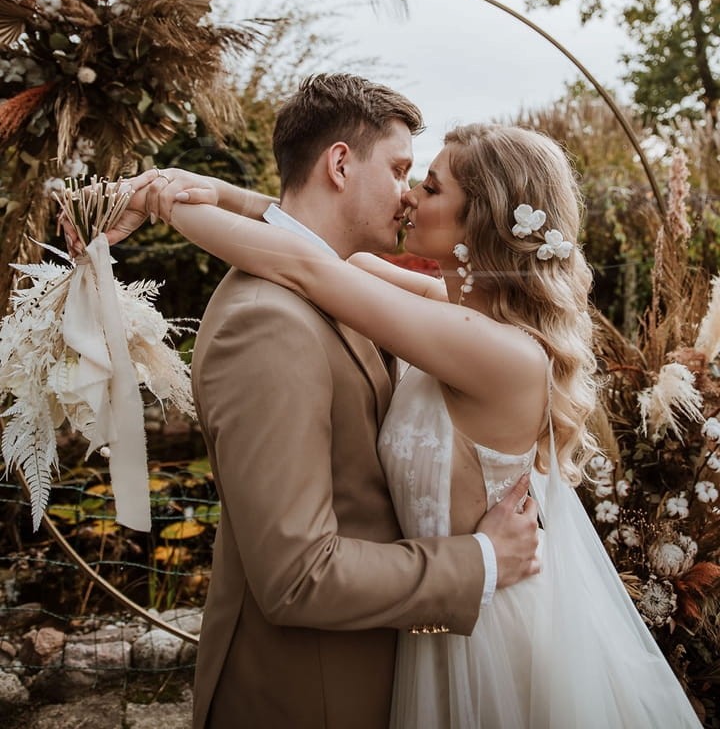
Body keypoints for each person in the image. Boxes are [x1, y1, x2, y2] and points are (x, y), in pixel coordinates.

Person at [117, 110, 702, 729]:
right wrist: (206, 187)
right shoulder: (446, 307)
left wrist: (162, 204)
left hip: (488, 638)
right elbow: (311, 242)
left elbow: (307, 267)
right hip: (437, 617)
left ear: (478, 219)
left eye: (430, 186)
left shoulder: (494, 350)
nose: (409, 196)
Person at [103, 75, 541, 729]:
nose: (408, 196)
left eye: (424, 183)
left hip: (405, 658)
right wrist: (479, 561)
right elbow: (298, 574)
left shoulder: (365, 292)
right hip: (310, 694)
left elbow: (306, 254)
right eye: (401, 171)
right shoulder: (269, 321)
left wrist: (178, 196)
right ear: (339, 164)